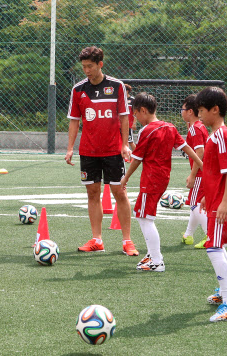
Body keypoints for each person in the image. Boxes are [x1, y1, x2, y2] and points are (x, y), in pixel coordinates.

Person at [65, 46, 138, 256]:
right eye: (84, 67)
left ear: (100, 65)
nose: (86, 70)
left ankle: (127, 241)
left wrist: (125, 144)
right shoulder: (78, 90)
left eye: (90, 66)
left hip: (113, 151)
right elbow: (74, 121)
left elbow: (124, 117)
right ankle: (97, 239)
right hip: (88, 151)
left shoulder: (117, 87)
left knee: (119, 192)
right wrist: (70, 148)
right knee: (92, 193)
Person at [120, 93, 202, 272]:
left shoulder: (147, 130)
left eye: (135, 114)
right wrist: (201, 164)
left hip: (151, 179)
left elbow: (137, 159)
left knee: (144, 217)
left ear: (143, 110)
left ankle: (157, 260)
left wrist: (125, 178)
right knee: (144, 214)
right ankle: (151, 254)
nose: (135, 118)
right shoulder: (170, 127)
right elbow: (186, 147)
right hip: (163, 178)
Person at [196, 87, 227, 322]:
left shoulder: (221, 134)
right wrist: (206, 196)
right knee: (217, 246)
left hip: (222, 204)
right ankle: (225, 294)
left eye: (202, 110)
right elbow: (215, 172)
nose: (199, 114)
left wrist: (223, 202)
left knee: (213, 247)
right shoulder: (214, 135)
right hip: (215, 201)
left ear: (215, 110)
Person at [181, 94, 209, 248]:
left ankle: (209, 236)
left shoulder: (195, 129)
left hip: (200, 173)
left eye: (183, 109)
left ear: (190, 111)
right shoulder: (196, 126)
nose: (181, 112)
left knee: (195, 204)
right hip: (202, 172)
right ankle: (188, 235)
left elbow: (200, 152)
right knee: (195, 203)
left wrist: (192, 174)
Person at [125, 84, 136, 151]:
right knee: (122, 142)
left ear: (128, 91)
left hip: (128, 124)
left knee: (130, 141)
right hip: (120, 124)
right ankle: (127, 157)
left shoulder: (132, 100)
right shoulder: (120, 99)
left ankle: (137, 157)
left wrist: (134, 123)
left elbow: (135, 112)